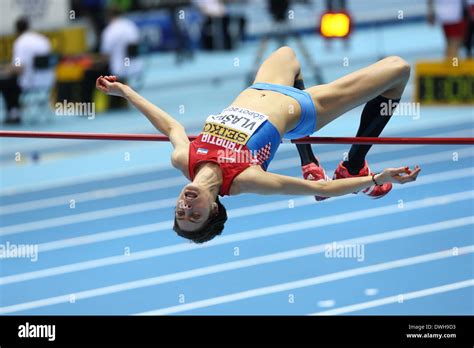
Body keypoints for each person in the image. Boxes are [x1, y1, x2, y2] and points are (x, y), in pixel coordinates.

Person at [96, 46, 421, 244]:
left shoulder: (185, 158)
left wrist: (126, 92)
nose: (185, 207)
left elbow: (171, 125)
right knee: (398, 70)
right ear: (213, 209)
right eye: (193, 216)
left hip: (264, 86)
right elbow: (323, 190)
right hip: (302, 108)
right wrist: (379, 178)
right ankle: (354, 162)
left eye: (179, 212)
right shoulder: (243, 180)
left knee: (286, 54)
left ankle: (306, 156)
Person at [0, 17, 51, 125]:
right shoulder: (42, 39)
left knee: (5, 81)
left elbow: (18, 67)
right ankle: (15, 111)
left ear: (16, 30)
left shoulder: (20, 43)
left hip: (31, 82)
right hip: (48, 81)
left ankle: (14, 113)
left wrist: (5, 69)